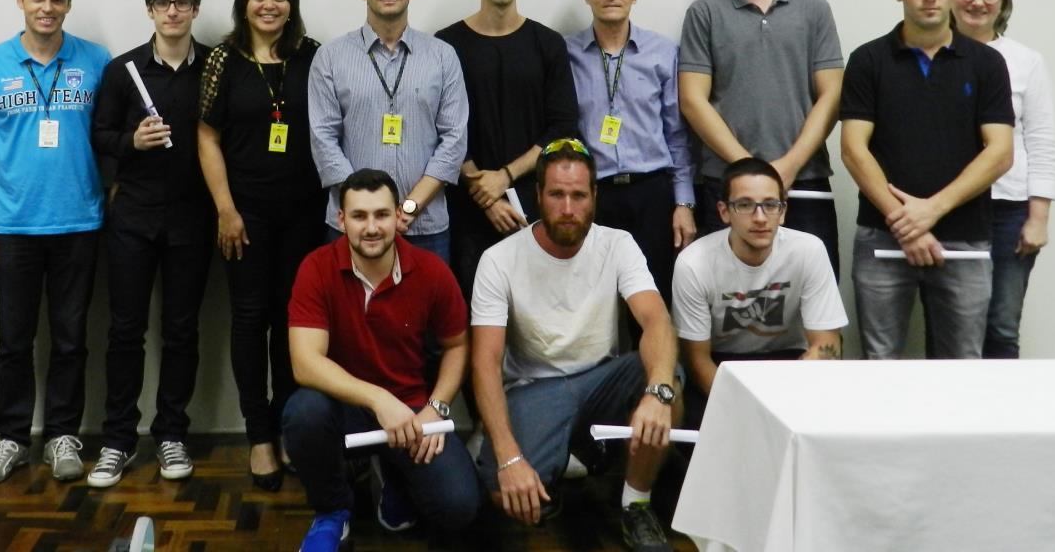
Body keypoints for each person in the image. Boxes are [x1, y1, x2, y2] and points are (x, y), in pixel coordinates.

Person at [471, 138, 680, 552]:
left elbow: (656, 319)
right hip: (535, 390)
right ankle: (570, 459)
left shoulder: (618, 244)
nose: (568, 209)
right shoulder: (498, 259)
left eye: (579, 195)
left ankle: (635, 504)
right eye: (557, 195)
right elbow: (485, 362)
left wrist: (658, 392)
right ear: (538, 196)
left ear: (595, 196)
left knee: (667, 375)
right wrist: (510, 457)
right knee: (500, 491)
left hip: (602, 378)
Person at [0, 0, 111, 484]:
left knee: (71, 337)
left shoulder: (96, 61)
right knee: (13, 340)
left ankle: (63, 435)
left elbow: (110, 138)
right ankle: (10, 438)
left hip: (80, 223)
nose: (47, 8)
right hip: (12, 225)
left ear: (69, 3)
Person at [284, 168, 479, 550]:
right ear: (341, 219)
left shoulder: (432, 271)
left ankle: (394, 472)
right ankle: (332, 511)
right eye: (359, 216)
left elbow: (458, 345)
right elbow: (305, 363)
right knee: (302, 414)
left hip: (411, 411)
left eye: (381, 215)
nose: (371, 227)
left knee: (459, 507)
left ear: (397, 217)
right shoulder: (316, 268)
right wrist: (377, 399)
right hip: (344, 406)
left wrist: (437, 407)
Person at [841, 0, 1013, 359]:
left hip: (965, 239)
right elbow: (853, 149)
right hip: (883, 236)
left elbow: (1000, 152)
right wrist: (908, 225)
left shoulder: (987, 63)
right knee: (881, 364)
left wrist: (930, 211)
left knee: (962, 367)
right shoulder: (868, 60)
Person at [198, 0, 324, 489]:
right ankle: (259, 437)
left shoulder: (312, 56)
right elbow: (207, 136)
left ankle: (289, 428)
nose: (268, 4)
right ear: (243, 4)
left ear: (291, 3)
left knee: (292, 323)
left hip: (304, 215)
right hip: (243, 216)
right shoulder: (224, 59)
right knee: (250, 320)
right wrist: (226, 209)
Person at [88, 0, 211, 488]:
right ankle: (117, 439)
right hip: (133, 218)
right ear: (150, 9)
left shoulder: (216, 67)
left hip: (193, 218)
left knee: (182, 331)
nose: (174, 12)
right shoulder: (122, 71)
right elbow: (99, 134)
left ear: (195, 8)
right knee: (124, 330)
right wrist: (130, 143)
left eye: (183, 2)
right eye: (164, 3)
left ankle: (171, 434)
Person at [679, 0, 845, 276]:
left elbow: (832, 95)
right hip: (727, 181)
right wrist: (749, 170)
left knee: (814, 296)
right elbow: (692, 100)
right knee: (726, 301)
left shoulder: (813, 7)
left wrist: (787, 166)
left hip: (802, 179)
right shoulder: (705, 12)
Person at [435, 0, 579, 304]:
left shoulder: (547, 43)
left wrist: (506, 176)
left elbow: (562, 126)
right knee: (474, 311)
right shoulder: (447, 44)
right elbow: (441, 126)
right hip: (469, 204)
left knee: (536, 310)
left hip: (534, 199)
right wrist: (484, 193)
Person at [308, 0, 468, 264]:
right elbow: (323, 139)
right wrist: (371, 214)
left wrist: (407, 208)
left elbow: (454, 139)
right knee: (350, 315)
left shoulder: (442, 56)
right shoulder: (330, 57)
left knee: (425, 315)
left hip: (425, 227)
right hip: (351, 228)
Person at [671, 156, 846, 428]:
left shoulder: (808, 250)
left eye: (770, 205)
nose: (760, 217)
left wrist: (791, 395)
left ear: (783, 211)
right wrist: (749, 411)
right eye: (745, 205)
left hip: (790, 363)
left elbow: (827, 345)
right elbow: (697, 361)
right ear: (723, 211)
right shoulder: (694, 263)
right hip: (723, 366)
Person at [569, 0, 695, 301]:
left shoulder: (663, 52)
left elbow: (677, 135)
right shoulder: (565, 55)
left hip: (651, 194)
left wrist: (683, 203)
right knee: (593, 303)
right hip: (593, 195)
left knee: (652, 300)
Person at [951, 0, 1055, 358]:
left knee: (1001, 325)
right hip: (951, 208)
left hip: (1008, 209)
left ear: (1003, 2)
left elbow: (1042, 140)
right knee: (952, 324)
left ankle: (1002, 417)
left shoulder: (1025, 60)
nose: (978, 2)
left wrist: (1038, 217)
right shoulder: (933, 56)